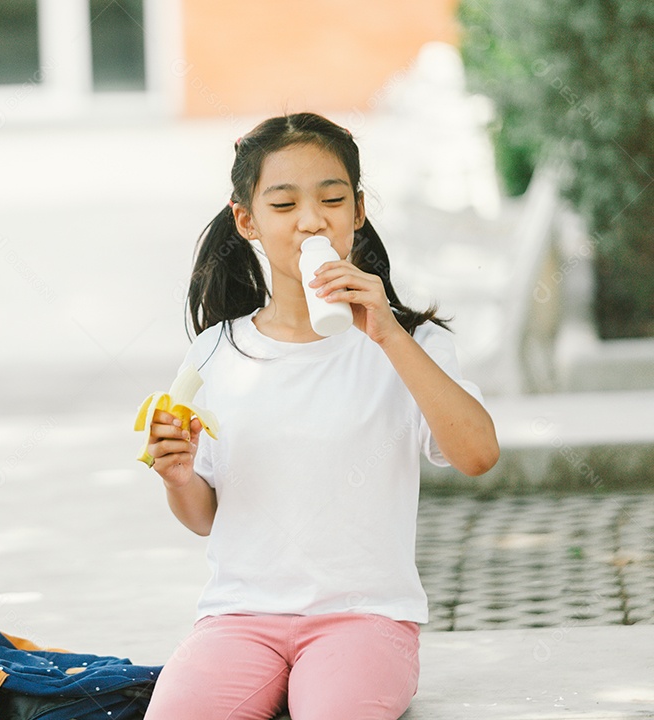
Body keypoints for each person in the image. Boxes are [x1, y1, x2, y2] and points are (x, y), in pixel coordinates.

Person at [140, 113, 499, 720]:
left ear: (357, 210)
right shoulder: (215, 350)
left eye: (331, 199)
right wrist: (178, 476)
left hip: (364, 618)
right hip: (240, 618)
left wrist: (388, 333)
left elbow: (478, 455)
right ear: (246, 220)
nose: (312, 220)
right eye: (284, 205)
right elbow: (205, 518)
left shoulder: (410, 343)